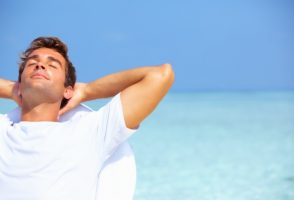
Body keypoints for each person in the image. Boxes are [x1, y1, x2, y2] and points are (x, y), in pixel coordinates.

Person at [0, 37, 175, 200]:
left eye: (52, 65)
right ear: (20, 85)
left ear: (67, 90)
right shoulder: (4, 129)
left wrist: (87, 91)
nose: (40, 66)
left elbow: (161, 75)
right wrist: (12, 89)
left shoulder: (89, 132)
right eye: (32, 63)